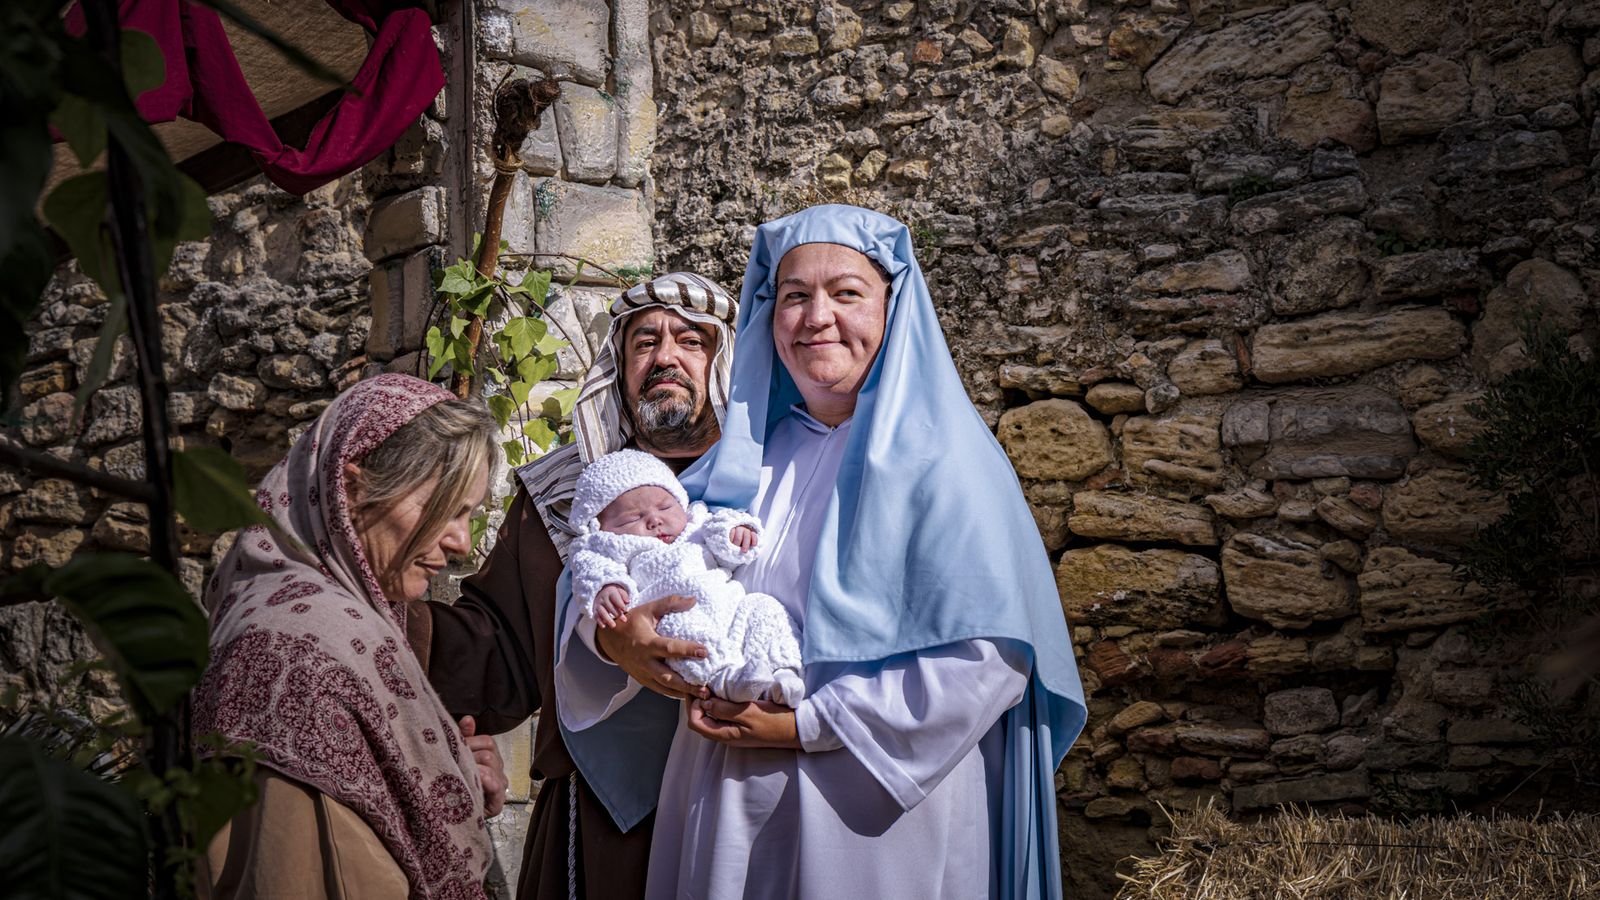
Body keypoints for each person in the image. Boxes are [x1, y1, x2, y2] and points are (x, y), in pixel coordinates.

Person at [556, 205, 1088, 898]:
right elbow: (611, 565)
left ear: (894, 310)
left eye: (846, 293)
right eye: (795, 295)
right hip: (724, 814)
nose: (815, 318)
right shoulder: (740, 465)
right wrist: (616, 638)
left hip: (871, 814)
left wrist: (804, 724)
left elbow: (988, 659)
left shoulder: (950, 465)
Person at [409, 273, 739, 900]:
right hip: (603, 818)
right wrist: (385, 618)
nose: (664, 356)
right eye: (644, 341)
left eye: (690, 340)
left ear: (724, 360)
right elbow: (501, 650)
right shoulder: (563, 494)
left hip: (748, 782)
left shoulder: (771, 485)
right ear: (618, 366)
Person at [192, 373, 510, 900]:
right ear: (355, 488)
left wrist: (454, 775)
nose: (460, 544)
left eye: (468, 514)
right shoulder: (300, 651)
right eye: (445, 509)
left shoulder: (304, 617)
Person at [569, 448, 805, 705]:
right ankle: (725, 679)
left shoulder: (696, 522)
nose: (655, 520)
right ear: (601, 528)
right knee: (678, 631)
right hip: (673, 613)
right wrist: (607, 587)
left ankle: (782, 669)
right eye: (632, 518)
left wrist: (735, 534)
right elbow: (589, 569)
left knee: (763, 607)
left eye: (665, 506)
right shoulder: (607, 546)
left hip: (730, 606)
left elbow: (725, 540)